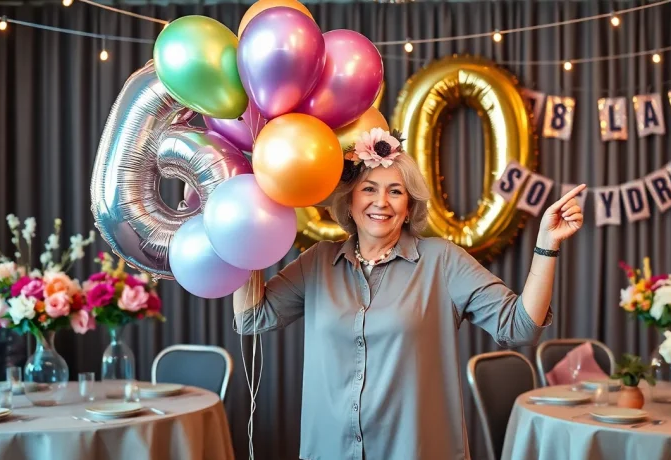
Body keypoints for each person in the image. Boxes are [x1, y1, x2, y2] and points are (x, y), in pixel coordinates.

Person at [232, 128, 585, 460]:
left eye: (395, 191)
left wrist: (547, 245)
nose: (381, 202)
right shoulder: (318, 261)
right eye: (369, 189)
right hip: (330, 449)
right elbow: (251, 318)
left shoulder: (441, 260)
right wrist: (239, 230)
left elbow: (521, 327)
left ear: (409, 207)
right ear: (350, 200)